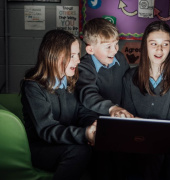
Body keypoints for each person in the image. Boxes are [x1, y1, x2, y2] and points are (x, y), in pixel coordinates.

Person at [21, 29, 97, 180]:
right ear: (54, 55)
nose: (78, 60)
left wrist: (93, 127)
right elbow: (46, 129)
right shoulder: (32, 86)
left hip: (68, 142)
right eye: (72, 56)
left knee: (98, 150)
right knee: (80, 151)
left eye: (78, 55)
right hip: (42, 147)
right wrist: (84, 134)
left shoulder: (72, 81)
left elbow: (83, 113)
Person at [122, 21, 170, 179]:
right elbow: (127, 119)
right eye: (153, 43)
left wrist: (157, 137)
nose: (159, 49)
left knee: (165, 156)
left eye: (165, 44)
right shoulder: (129, 77)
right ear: (145, 45)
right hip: (138, 141)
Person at [76, 18, 133, 118]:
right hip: (93, 119)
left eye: (116, 44)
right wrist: (111, 108)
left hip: (120, 115)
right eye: (108, 47)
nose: (114, 51)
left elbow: (130, 82)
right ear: (90, 49)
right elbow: (88, 95)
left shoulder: (120, 58)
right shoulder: (84, 66)